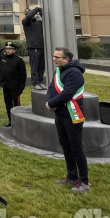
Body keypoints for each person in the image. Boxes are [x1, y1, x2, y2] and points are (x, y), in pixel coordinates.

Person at [45, 47, 89, 193]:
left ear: (66, 59)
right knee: (66, 146)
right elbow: (51, 88)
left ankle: (84, 181)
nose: (54, 59)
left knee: (76, 148)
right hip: (60, 114)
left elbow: (68, 93)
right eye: (54, 56)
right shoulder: (59, 70)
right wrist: (49, 101)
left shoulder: (74, 73)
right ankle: (71, 176)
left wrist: (51, 104)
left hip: (72, 115)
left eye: (57, 57)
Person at [0, 41, 26, 126]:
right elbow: (0, 70)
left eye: (10, 49)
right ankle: (11, 120)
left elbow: (23, 75)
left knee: (16, 105)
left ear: (14, 50)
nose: (8, 50)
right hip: (5, 85)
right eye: (7, 49)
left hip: (15, 87)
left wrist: (21, 88)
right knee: (8, 104)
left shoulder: (19, 60)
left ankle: (18, 122)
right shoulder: (3, 58)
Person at [23, 6, 46, 90]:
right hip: (33, 48)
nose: (31, 15)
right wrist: (37, 9)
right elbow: (28, 17)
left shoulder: (39, 22)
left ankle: (40, 82)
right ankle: (35, 83)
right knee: (34, 67)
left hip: (41, 47)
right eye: (28, 14)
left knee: (41, 67)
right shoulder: (26, 22)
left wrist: (41, 12)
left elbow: (46, 21)